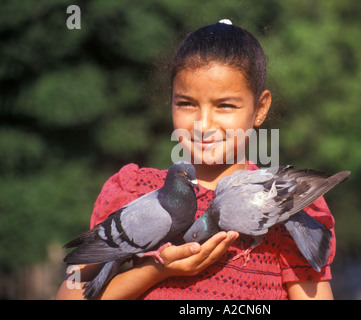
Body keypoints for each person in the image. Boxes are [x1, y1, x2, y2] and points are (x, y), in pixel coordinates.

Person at [56, 20, 335, 300]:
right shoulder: (136, 190)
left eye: (225, 105)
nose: (203, 124)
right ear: (171, 102)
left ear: (260, 108)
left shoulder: (290, 208)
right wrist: (158, 270)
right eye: (186, 103)